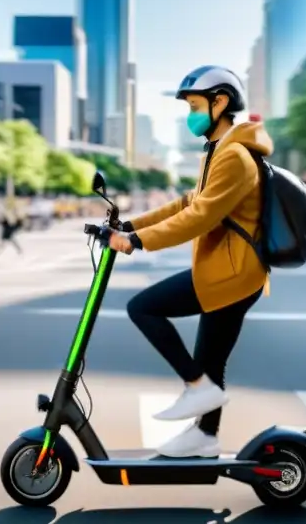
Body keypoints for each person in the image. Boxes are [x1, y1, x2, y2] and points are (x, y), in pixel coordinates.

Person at [107, 66, 270, 458]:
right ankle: (205, 435)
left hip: (231, 272)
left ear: (221, 102)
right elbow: (188, 203)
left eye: (196, 106)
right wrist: (130, 223)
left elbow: (200, 217)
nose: (190, 115)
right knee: (211, 359)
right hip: (232, 269)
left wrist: (137, 241)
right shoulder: (219, 151)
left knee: (143, 307)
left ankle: (196, 390)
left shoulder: (234, 156)